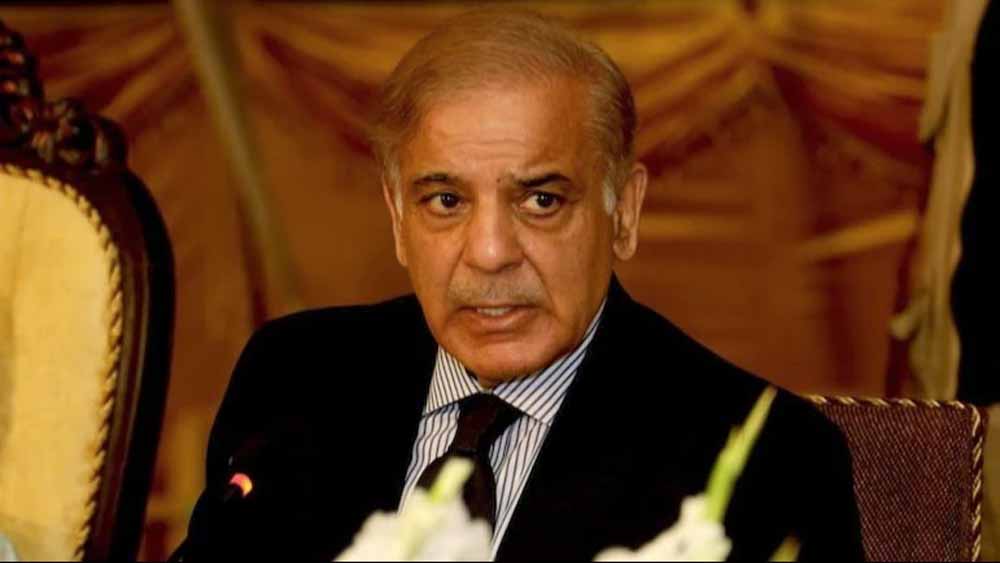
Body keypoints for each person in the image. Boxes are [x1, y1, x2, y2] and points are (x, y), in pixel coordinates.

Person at [176, 9, 863, 561]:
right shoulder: (292, 380)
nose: (490, 254)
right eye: (445, 201)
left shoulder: (766, 462)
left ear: (623, 212)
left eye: (541, 201)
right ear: (396, 218)